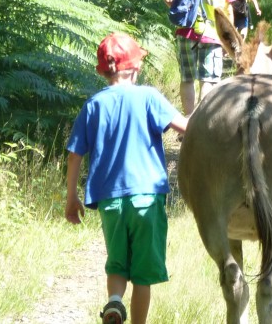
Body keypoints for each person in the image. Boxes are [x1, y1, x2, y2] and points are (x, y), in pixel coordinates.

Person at [65, 32, 188, 324]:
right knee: (142, 276)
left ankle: (115, 301)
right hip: (147, 198)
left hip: (110, 200)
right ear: (135, 67)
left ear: (103, 71)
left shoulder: (93, 105)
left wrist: (71, 197)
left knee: (117, 264)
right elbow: (186, 127)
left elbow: (74, 155)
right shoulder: (148, 97)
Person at [164, 0, 239, 115]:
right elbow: (229, 10)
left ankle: (188, 121)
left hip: (185, 31)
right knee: (208, 80)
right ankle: (202, 123)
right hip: (213, 34)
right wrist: (229, 39)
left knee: (187, 78)